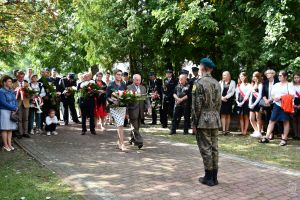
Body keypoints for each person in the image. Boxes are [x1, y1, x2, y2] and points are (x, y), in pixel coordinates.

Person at [192, 58, 221, 187]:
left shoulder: (199, 83)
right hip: (214, 118)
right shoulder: (217, 83)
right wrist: (215, 114)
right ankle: (214, 177)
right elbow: (219, 103)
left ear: (203, 68)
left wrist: (194, 122)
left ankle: (208, 177)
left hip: (203, 119)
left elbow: (196, 105)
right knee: (214, 148)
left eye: (199, 66)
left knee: (205, 148)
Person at [260, 70, 295, 146]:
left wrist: (281, 97)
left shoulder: (289, 85)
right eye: (278, 75)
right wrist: (274, 98)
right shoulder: (276, 85)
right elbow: (272, 94)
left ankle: (284, 139)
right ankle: (266, 137)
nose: (279, 77)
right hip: (277, 105)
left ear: (285, 77)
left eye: (280, 75)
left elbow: (292, 95)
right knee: (272, 120)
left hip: (285, 106)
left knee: (285, 121)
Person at [106, 69, 128, 151]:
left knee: (120, 125)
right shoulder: (111, 85)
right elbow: (107, 96)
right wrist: (113, 101)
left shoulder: (123, 84)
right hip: (114, 108)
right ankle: (122, 144)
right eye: (118, 74)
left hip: (122, 107)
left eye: (120, 74)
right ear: (115, 75)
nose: (119, 76)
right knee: (120, 125)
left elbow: (126, 95)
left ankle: (119, 142)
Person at [127, 74, 149, 149]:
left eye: (139, 80)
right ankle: (139, 141)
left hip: (141, 110)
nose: (138, 81)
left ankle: (131, 139)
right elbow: (127, 100)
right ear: (133, 80)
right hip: (132, 110)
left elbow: (146, 98)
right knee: (135, 127)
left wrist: (148, 107)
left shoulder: (143, 88)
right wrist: (126, 112)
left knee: (137, 127)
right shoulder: (129, 87)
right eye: (136, 80)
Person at [0, 76, 18, 151]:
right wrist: (13, 108)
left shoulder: (11, 91)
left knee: (10, 129)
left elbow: (15, 100)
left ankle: (10, 144)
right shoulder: (1, 91)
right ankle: (5, 145)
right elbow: (3, 103)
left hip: (12, 111)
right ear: (4, 82)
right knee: (5, 129)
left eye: (11, 81)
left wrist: (16, 107)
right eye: (9, 81)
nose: (11, 83)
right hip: (4, 111)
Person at [261, 69, 280, 139]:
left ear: (273, 74)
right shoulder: (265, 83)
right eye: (266, 74)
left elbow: (278, 93)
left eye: (269, 73)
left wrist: (270, 100)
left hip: (276, 102)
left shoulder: (277, 82)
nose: (267, 75)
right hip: (267, 103)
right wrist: (266, 100)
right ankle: (271, 133)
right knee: (268, 118)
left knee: (275, 118)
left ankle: (277, 132)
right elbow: (263, 93)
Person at [13, 71, 31, 138]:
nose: (21, 78)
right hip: (18, 103)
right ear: (17, 77)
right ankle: (20, 133)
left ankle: (25, 132)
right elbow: (12, 95)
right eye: (19, 77)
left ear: (24, 76)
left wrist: (28, 94)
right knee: (19, 119)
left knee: (26, 118)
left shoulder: (27, 84)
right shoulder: (14, 84)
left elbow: (31, 94)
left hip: (26, 103)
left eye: (22, 77)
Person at [249, 71, 263, 138]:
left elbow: (260, 96)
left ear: (258, 77)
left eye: (255, 76)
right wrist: (250, 103)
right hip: (252, 103)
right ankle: (256, 131)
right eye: (253, 76)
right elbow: (251, 95)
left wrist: (254, 104)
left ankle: (259, 132)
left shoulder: (260, 84)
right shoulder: (252, 84)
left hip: (257, 103)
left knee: (258, 118)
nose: (254, 78)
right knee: (251, 118)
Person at [292, 72, 300, 140]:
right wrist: (292, 104)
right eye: (295, 78)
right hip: (293, 102)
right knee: (294, 119)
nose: (296, 79)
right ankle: (295, 134)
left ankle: (299, 134)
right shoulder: (291, 85)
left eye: (297, 77)